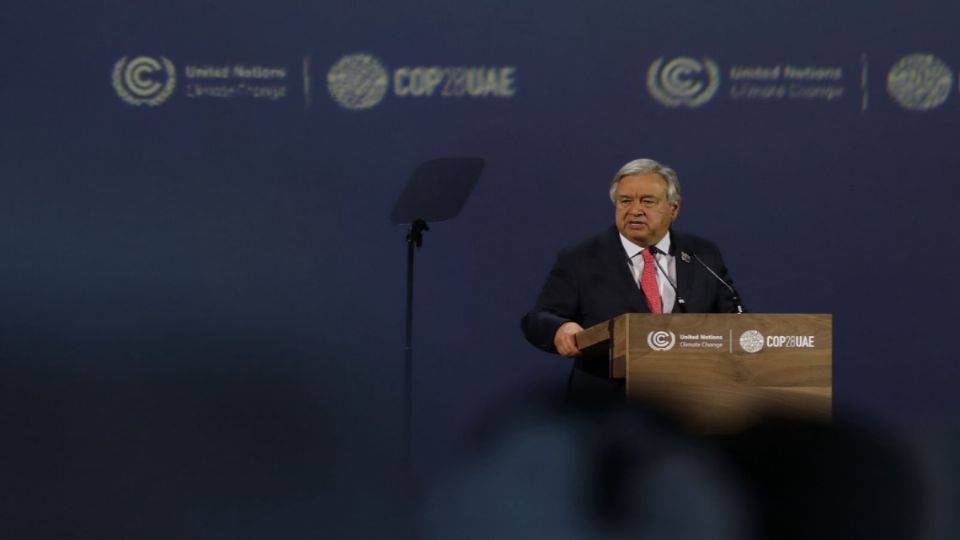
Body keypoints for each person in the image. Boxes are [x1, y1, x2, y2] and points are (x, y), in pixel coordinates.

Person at [521, 158, 743, 396]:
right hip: (607, 404)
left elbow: (736, 320)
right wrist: (560, 328)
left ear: (674, 209)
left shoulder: (703, 254)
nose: (635, 210)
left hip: (692, 399)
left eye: (647, 201)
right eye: (625, 201)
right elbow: (537, 318)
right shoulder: (581, 258)